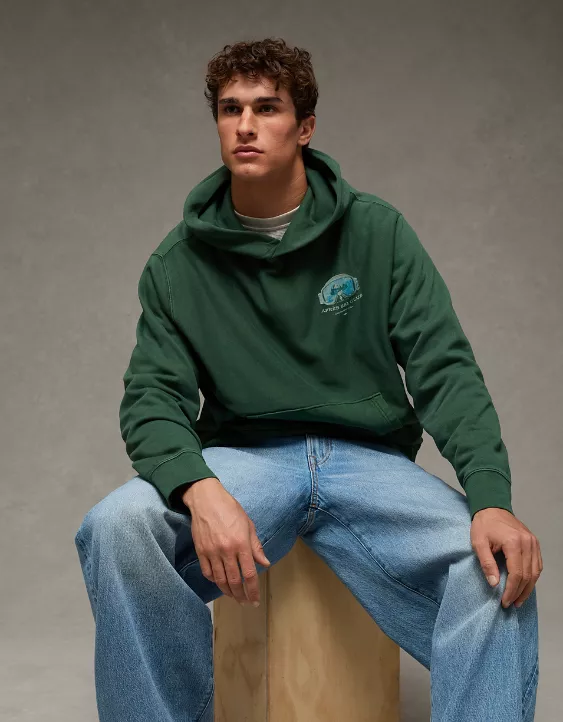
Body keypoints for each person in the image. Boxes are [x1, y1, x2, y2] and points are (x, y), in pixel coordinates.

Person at [74, 37, 542, 721]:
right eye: (230, 109)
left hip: (368, 465)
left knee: (497, 566)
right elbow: (151, 399)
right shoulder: (176, 265)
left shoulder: (378, 233)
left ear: (304, 128)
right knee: (116, 527)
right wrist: (200, 487)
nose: (245, 124)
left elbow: (445, 370)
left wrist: (491, 497)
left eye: (267, 108)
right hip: (247, 464)